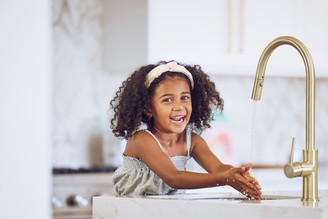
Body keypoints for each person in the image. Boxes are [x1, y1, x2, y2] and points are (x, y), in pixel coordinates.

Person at [109, 60, 262, 200]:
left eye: (184, 97)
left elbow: (218, 168)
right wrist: (226, 179)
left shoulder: (192, 141)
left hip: (167, 213)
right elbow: (174, 178)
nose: (179, 106)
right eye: (167, 100)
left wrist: (237, 175)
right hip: (131, 215)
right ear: (149, 108)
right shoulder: (142, 140)